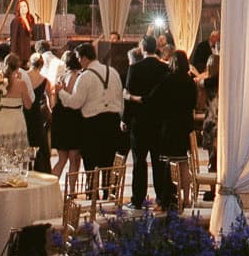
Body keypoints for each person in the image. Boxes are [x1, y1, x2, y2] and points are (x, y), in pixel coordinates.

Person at [124, 35, 175, 209]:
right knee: (159, 161)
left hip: (139, 122)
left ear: (143, 48)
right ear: (157, 49)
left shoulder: (135, 68)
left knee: (139, 162)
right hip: (160, 122)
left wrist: (125, 119)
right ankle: (162, 198)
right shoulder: (165, 68)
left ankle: (137, 199)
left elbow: (128, 96)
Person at [74, 41, 124, 173]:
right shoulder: (113, 71)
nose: (79, 62)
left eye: (79, 58)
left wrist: (61, 92)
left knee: (90, 162)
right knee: (108, 161)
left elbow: (76, 102)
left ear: (84, 58)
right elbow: (120, 96)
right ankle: (107, 192)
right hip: (113, 121)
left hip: (92, 124)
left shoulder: (85, 76)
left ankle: (92, 193)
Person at [50, 46, 86, 187]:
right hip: (73, 119)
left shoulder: (61, 78)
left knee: (62, 159)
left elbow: (54, 101)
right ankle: (71, 191)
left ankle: (50, 187)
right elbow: (74, 100)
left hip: (60, 119)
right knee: (74, 159)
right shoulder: (78, 77)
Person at [0, 52, 32, 150]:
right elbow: (28, 105)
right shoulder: (21, 84)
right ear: (18, 68)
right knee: (16, 153)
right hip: (16, 120)